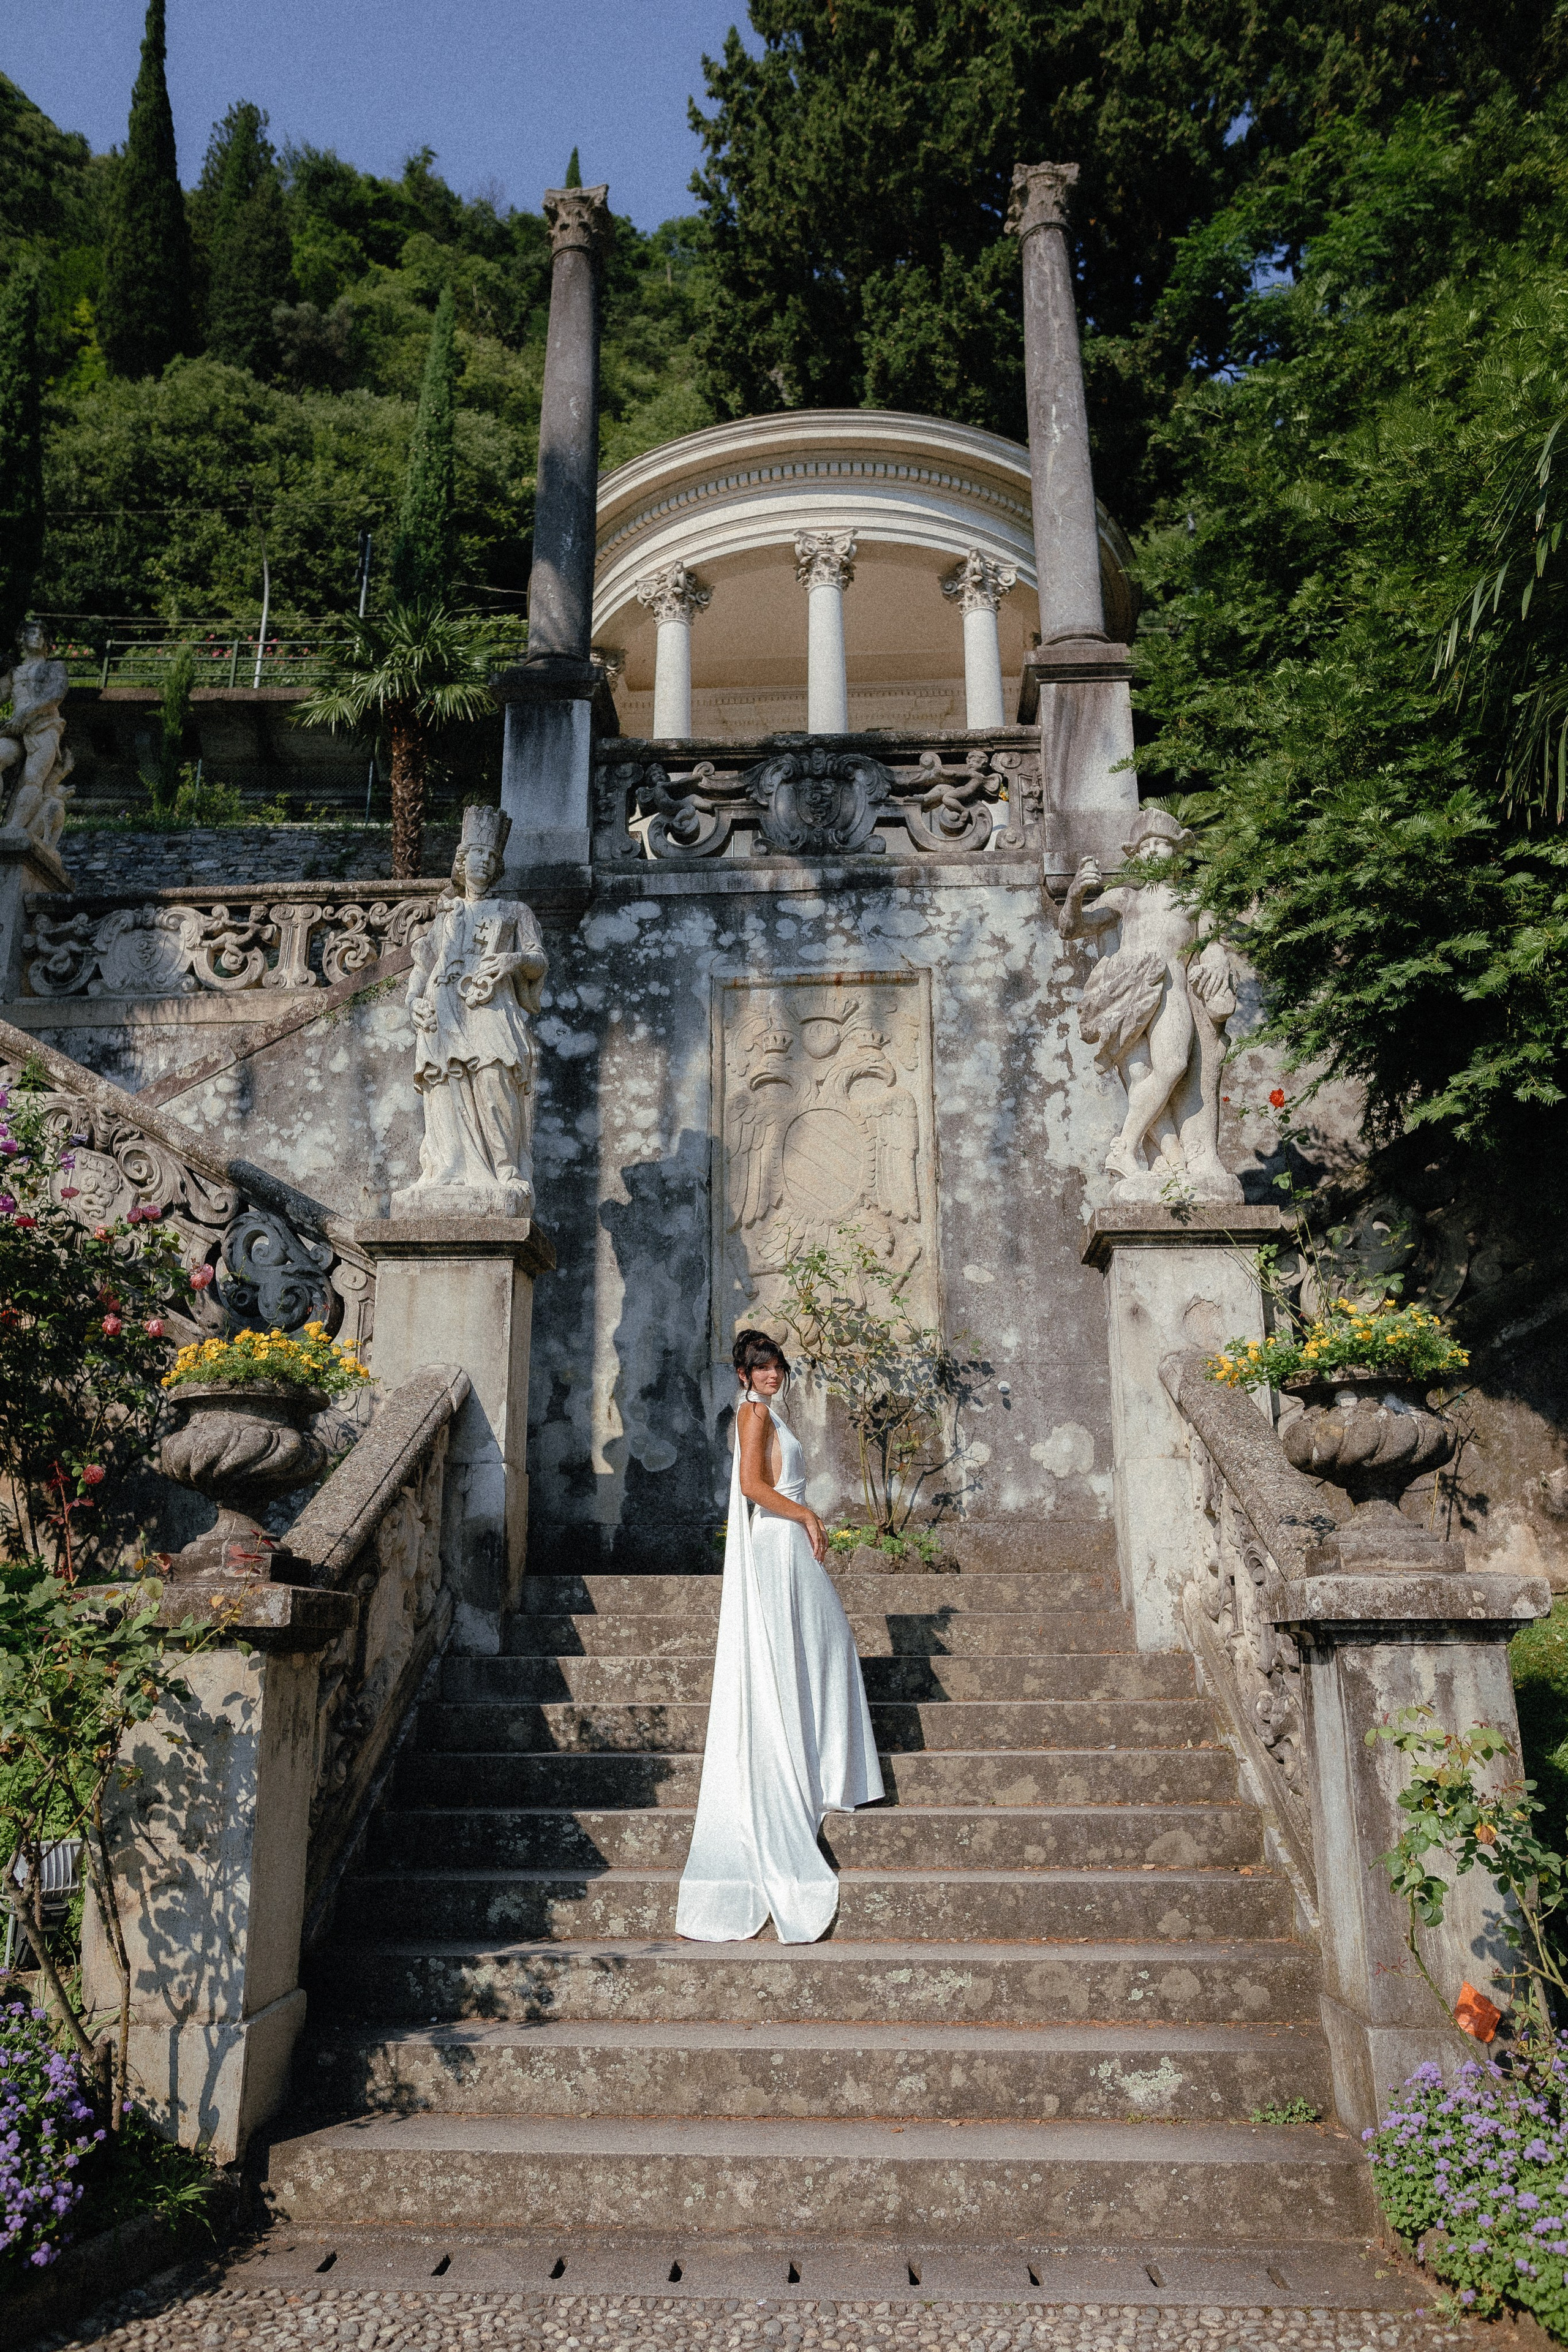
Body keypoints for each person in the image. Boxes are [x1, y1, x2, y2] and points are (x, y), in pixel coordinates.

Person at [676, 1328, 884, 1943]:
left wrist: (802, 1518)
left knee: (825, 1649)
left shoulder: (769, 1413)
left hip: (789, 1547)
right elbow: (751, 1489)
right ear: (742, 1374)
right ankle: (808, 1775)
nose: (771, 1374)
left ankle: (826, 1774)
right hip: (776, 1544)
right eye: (760, 1367)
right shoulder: (753, 1414)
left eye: (776, 1366)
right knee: (813, 1651)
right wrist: (807, 1512)